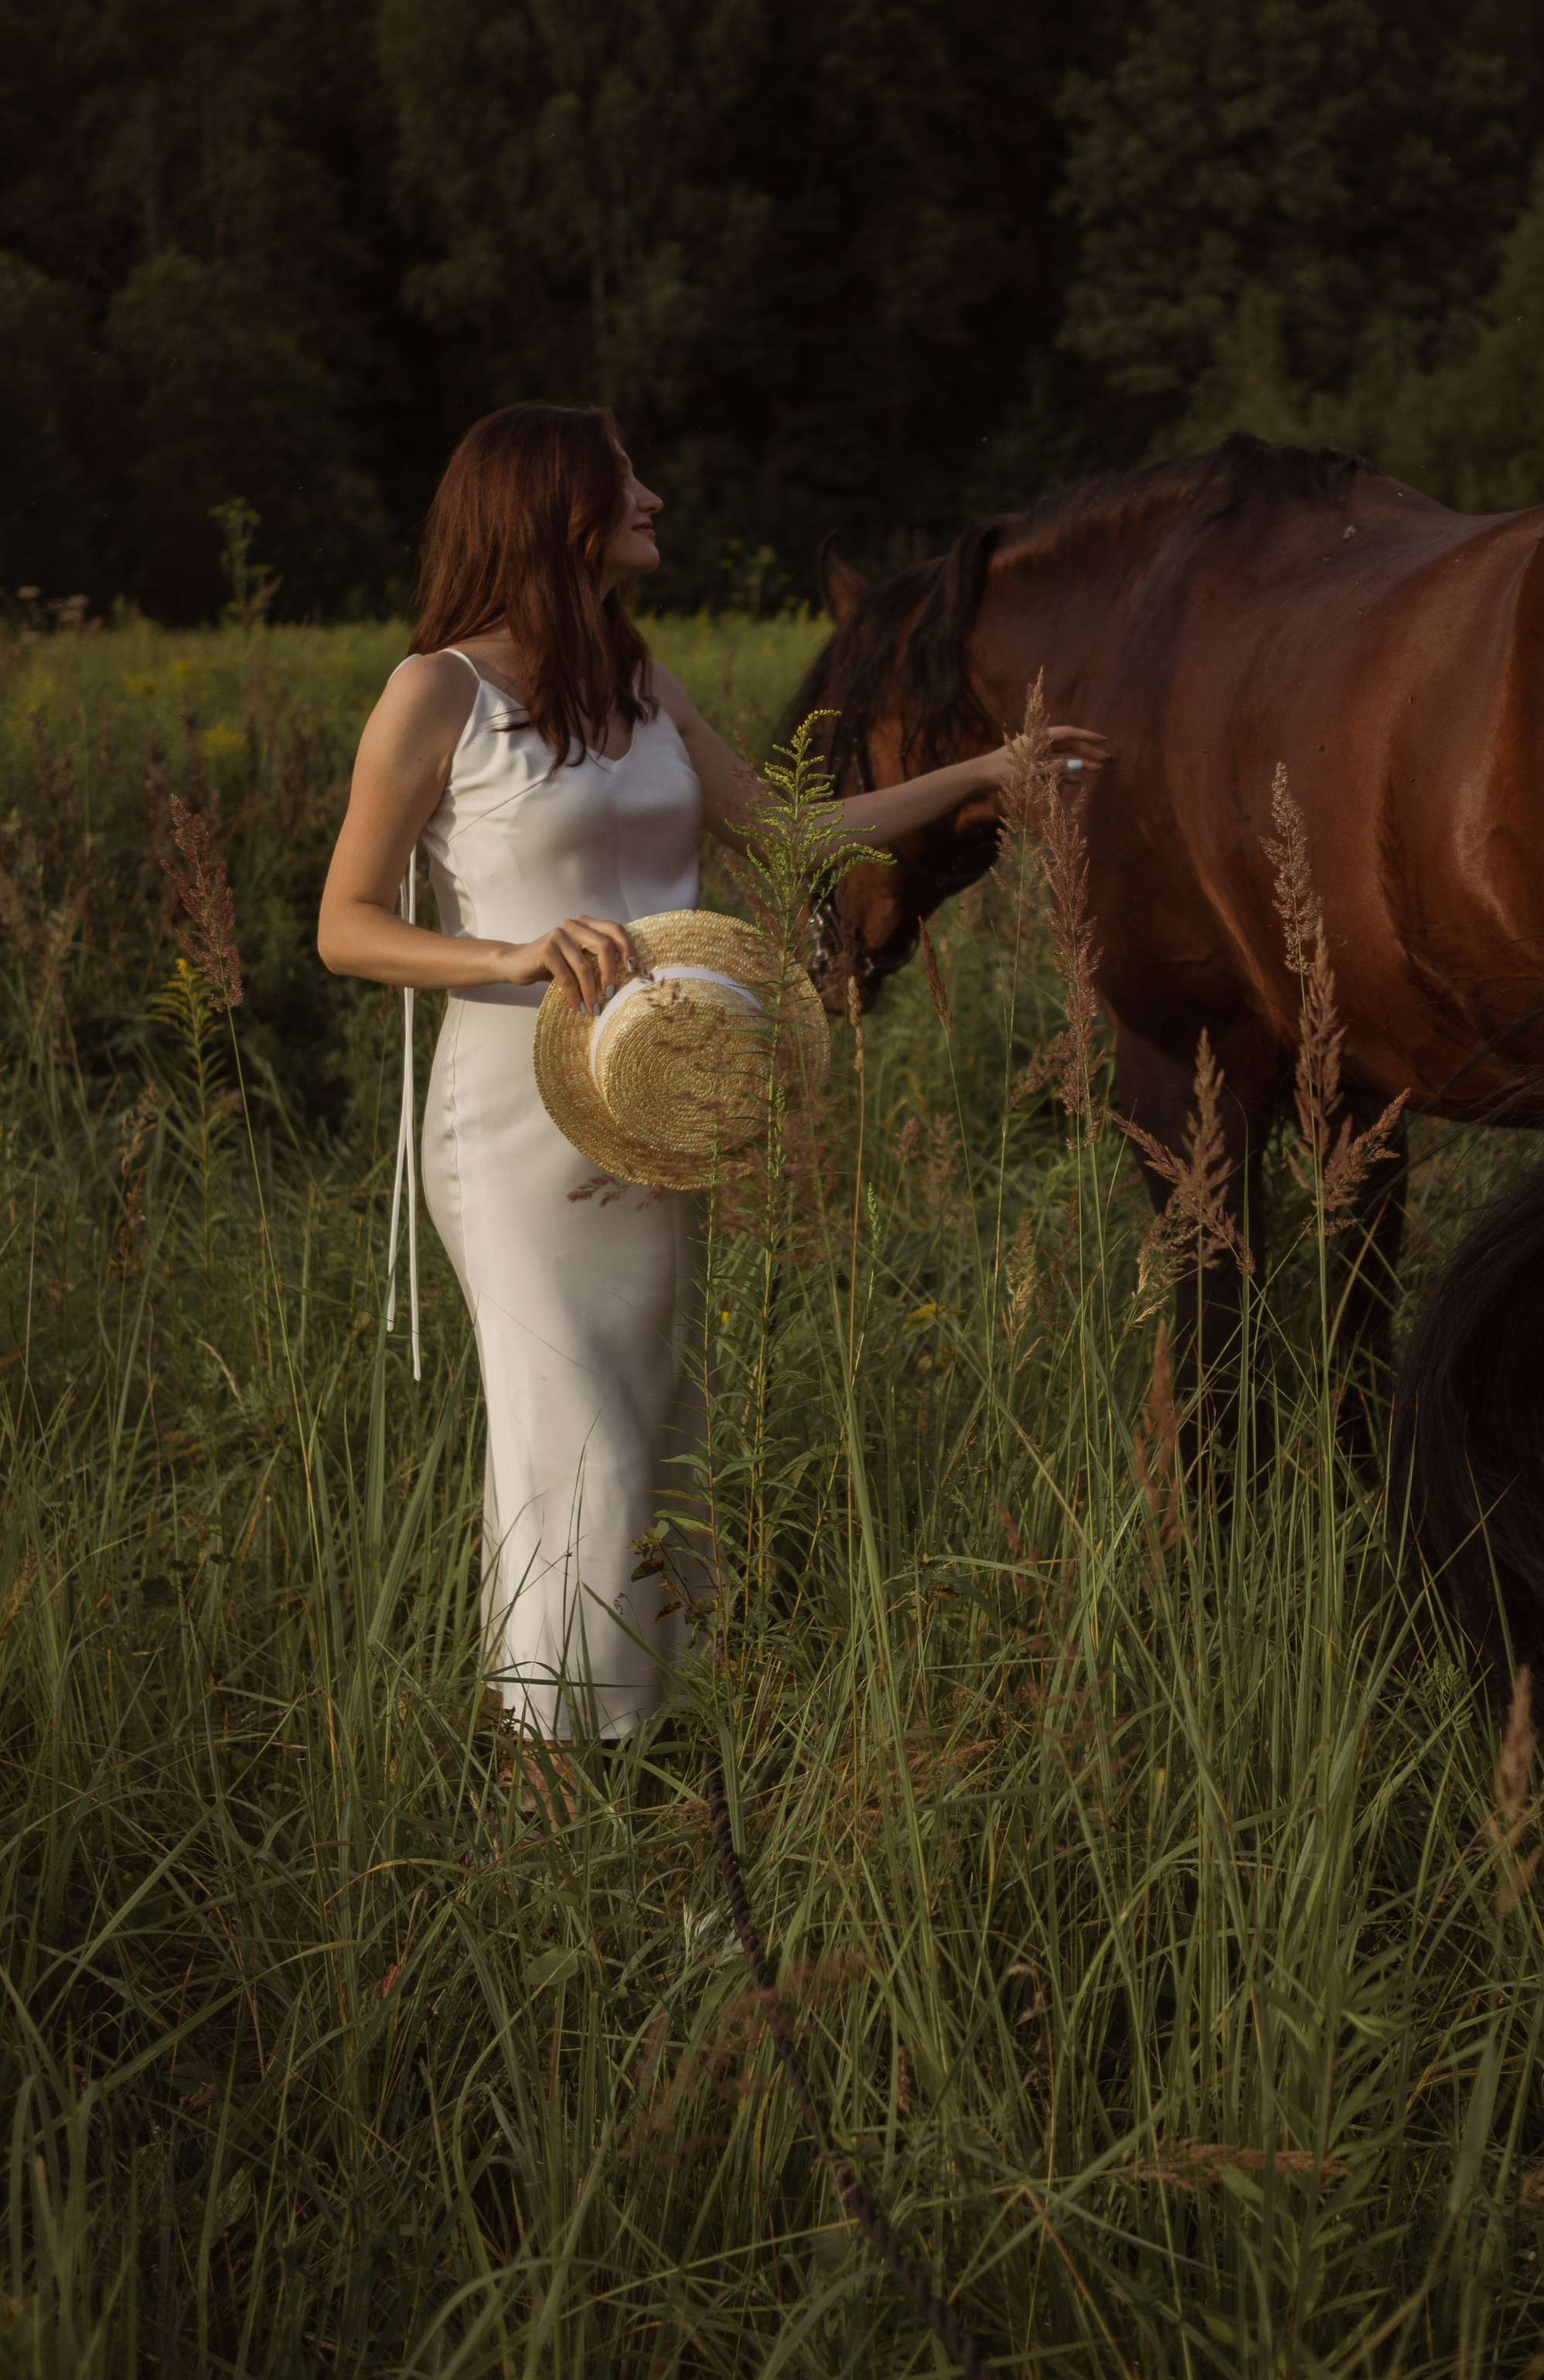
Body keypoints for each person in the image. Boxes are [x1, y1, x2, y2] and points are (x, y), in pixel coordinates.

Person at [318, 401, 1104, 1765]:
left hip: (664, 1098)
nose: (657, 499)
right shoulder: (437, 690)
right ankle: (550, 1782)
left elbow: (785, 830)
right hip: (515, 1113)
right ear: (548, 507)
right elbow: (344, 921)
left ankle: (656, 1748)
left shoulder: (638, 679)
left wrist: (988, 770)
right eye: (627, 483)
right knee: (577, 1440)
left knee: (661, 1427)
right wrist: (511, 948)